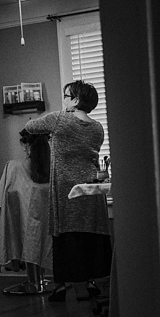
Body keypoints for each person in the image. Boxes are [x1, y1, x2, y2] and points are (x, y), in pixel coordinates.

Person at [23, 81, 111, 302]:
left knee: (65, 236)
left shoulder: (59, 119)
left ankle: (61, 285)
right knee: (90, 233)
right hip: (89, 189)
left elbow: (30, 128)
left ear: (76, 100)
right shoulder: (98, 127)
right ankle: (91, 282)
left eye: (66, 96)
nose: (63, 100)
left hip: (65, 189)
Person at [0, 129, 52, 294]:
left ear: (28, 146)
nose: (23, 149)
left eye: (24, 145)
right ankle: (40, 278)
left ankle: (34, 280)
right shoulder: (53, 169)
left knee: (25, 228)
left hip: (23, 225)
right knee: (36, 231)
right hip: (47, 227)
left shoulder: (13, 167)